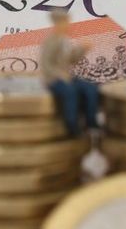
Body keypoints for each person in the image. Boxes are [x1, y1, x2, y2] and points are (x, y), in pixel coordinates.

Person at [41, 8, 101, 138]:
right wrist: (61, 76)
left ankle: (91, 121)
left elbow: (71, 59)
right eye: (65, 22)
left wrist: (82, 49)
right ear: (58, 24)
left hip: (66, 76)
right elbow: (47, 65)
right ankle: (72, 126)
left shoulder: (65, 40)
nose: (68, 25)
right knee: (71, 92)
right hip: (54, 79)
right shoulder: (50, 42)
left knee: (90, 88)